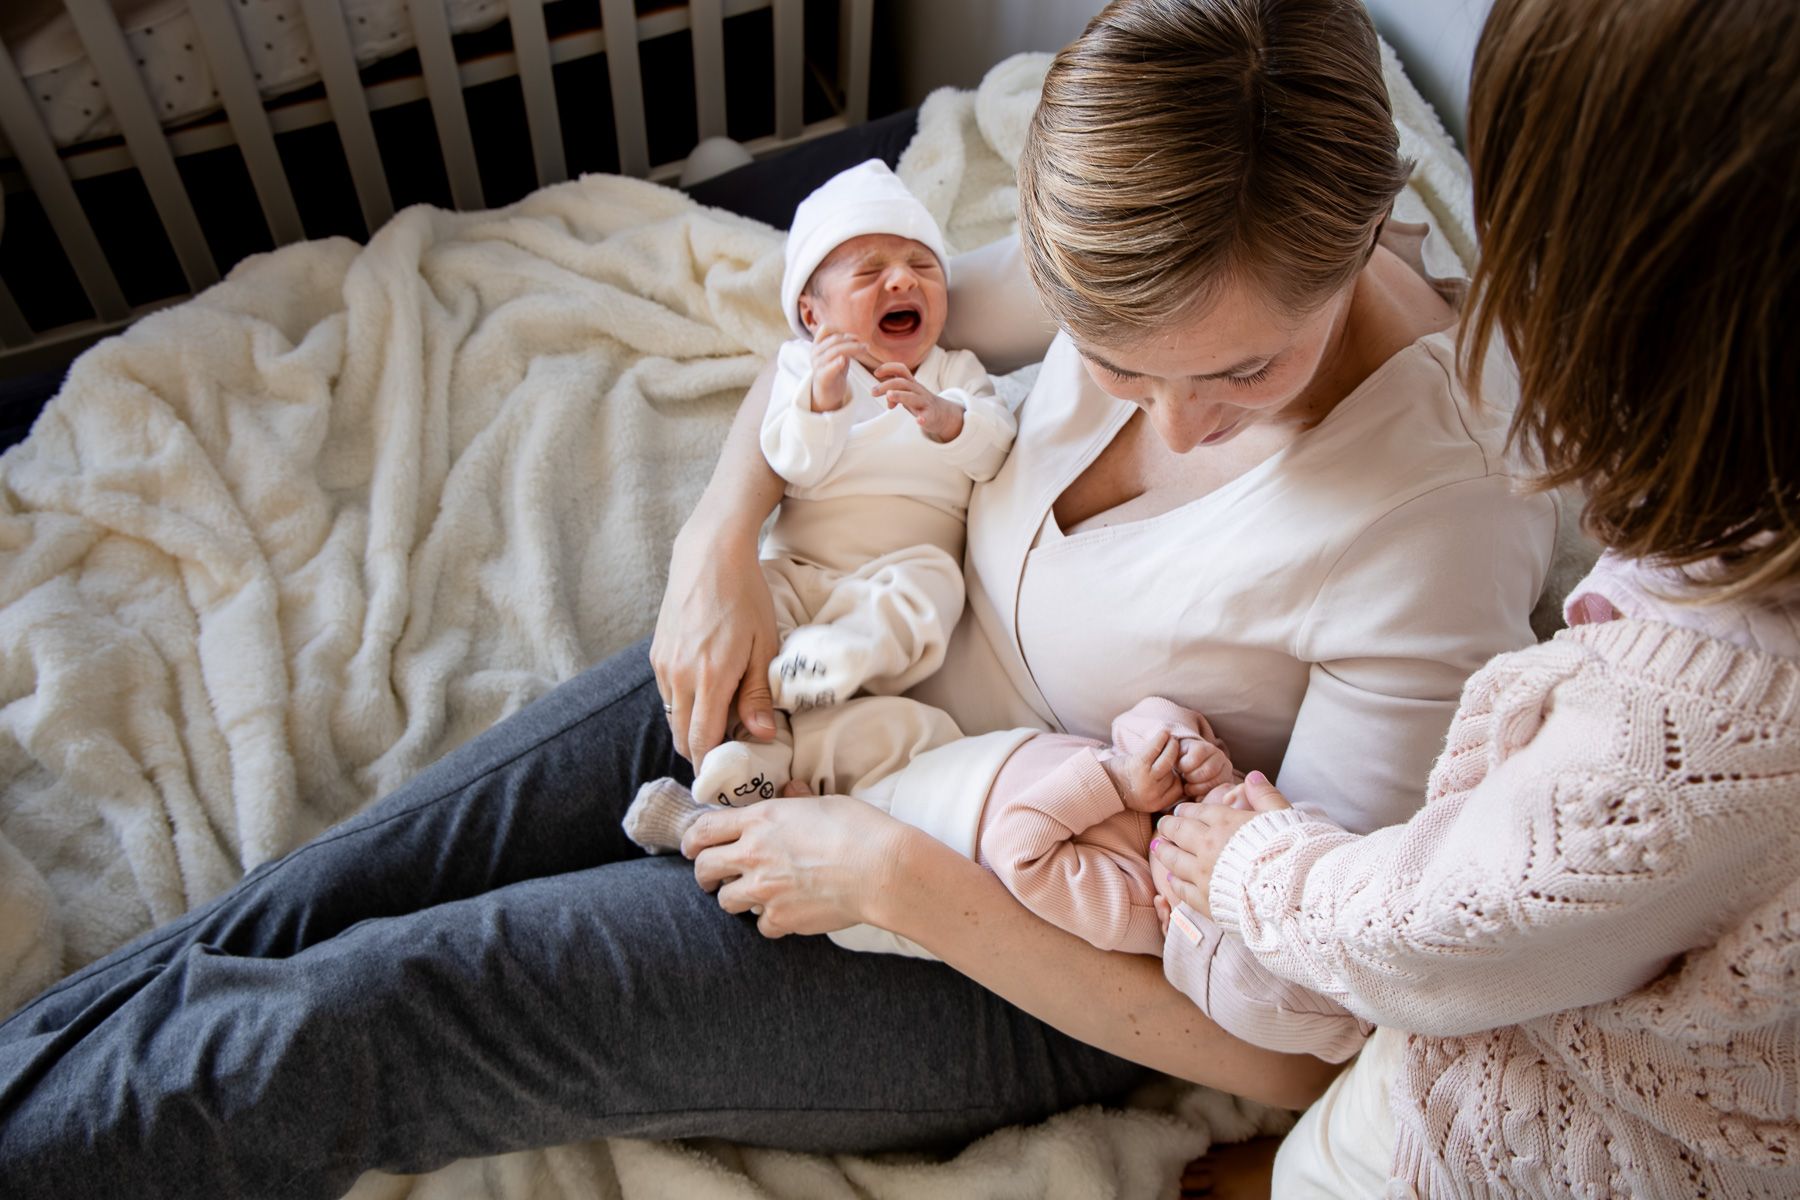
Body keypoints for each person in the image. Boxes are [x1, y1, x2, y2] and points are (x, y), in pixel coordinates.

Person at [0, 2, 1551, 1196]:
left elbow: (1290, 1049)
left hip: (992, 937)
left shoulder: (1432, 537)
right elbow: (865, 334)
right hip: (833, 658)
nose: (1171, 414)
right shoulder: (1156, 246)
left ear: (1357, 245)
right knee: (328, 893)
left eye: (1242, 374)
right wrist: (719, 544)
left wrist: (886, 877)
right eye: (1113, 355)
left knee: (377, 1013)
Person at [1138, 0, 1800, 1193]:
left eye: (1536, 246)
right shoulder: (1730, 542)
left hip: (1541, 1140)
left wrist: (1247, 862)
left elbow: (1434, 932)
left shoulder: (1694, 737)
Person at [632, 690, 1371, 1062]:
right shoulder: (1199, 802)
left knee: (785, 847)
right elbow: (1143, 714)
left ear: (1190, 923)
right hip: (954, 760)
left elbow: (1021, 846)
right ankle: (779, 769)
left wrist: (1119, 786)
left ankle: (695, 826)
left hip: (927, 851)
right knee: (865, 733)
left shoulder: (1131, 908)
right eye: (1268, 819)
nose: (1240, 806)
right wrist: (1187, 746)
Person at [685, 159, 1013, 810]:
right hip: (800, 564)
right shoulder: (804, 370)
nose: (902, 279)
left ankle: (827, 666)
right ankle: (755, 757)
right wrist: (824, 402)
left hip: (898, 565)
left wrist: (948, 419)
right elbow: (789, 461)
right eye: (869, 272)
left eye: (924, 268)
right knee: (759, 618)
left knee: (931, 590)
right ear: (812, 311)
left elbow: (995, 446)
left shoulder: (954, 369)